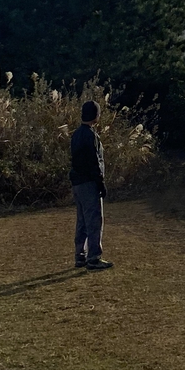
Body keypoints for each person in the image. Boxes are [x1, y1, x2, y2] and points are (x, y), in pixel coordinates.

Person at [69, 100, 114, 271]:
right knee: (94, 220)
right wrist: (100, 182)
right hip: (89, 183)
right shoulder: (91, 136)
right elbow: (95, 161)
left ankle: (80, 255)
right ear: (95, 115)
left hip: (77, 182)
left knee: (82, 220)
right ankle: (94, 257)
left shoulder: (76, 135)